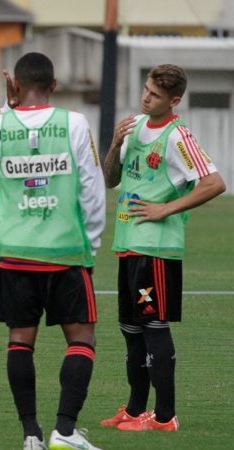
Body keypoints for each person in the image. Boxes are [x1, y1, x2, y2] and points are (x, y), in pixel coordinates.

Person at [0, 52, 105, 450]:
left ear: (15, 85)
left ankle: (31, 434)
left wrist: (7, 105)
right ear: (54, 86)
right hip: (66, 249)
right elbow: (92, 187)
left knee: (20, 339)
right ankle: (64, 432)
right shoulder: (74, 123)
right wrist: (93, 245)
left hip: (15, 250)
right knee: (81, 339)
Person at [100, 64, 226, 433]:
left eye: (154, 94)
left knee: (154, 326)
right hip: (127, 242)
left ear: (174, 100)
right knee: (130, 328)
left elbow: (214, 183)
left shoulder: (178, 136)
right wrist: (113, 144)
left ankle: (165, 416)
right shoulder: (135, 126)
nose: (145, 97)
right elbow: (110, 179)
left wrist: (166, 209)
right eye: (145, 90)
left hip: (156, 248)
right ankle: (137, 409)